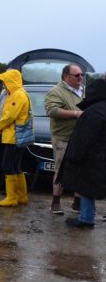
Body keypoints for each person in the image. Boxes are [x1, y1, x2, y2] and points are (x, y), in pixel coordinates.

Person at [57, 77, 106, 228]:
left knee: (86, 188)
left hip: (92, 158)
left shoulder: (92, 112)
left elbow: (83, 138)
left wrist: (73, 156)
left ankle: (86, 219)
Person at [44, 64, 85, 215]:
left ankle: (77, 203)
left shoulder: (83, 90)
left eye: (82, 74)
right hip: (63, 137)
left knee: (81, 169)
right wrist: (76, 113)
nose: (81, 77)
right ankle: (55, 202)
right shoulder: (56, 92)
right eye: (77, 75)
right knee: (61, 169)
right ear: (66, 77)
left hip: (81, 137)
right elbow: (52, 110)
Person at [0, 69, 31, 207]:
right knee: (16, 166)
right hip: (16, 136)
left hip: (14, 136)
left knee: (8, 166)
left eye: (5, 81)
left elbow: (10, 116)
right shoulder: (18, 93)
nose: (3, 84)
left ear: (10, 82)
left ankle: (11, 197)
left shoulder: (17, 95)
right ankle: (21, 196)